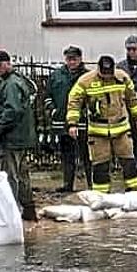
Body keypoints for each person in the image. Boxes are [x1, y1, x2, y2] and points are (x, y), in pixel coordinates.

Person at [67, 54, 137, 194]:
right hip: (98, 133)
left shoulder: (122, 78)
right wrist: (72, 123)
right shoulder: (86, 81)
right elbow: (74, 101)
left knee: (129, 163)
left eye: (109, 73)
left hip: (121, 130)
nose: (107, 76)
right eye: (104, 73)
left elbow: (133, 99)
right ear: (98, 69)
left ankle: (135, 193)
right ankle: (101, 196)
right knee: (100, 166)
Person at [0, 49, 40, 222]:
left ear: (8, 64)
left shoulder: (10, 84)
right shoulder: (15, 82)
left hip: (12, 138)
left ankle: (11, 211)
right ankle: (29, 209)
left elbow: (13, 111)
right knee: (22, 174)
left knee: (10, 176)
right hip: (21, 137)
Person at [48, 46, 90, 192]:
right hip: (61, 121)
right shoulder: (56, 75)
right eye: (69, 59)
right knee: (67, 155)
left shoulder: (88, 76)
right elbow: (48, 94)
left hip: (83, 122)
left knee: (87, 155)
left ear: (80, 59)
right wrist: (53, 109)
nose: (71, 62)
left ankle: (91, 185)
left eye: (74, 59)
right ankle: (68, 184)